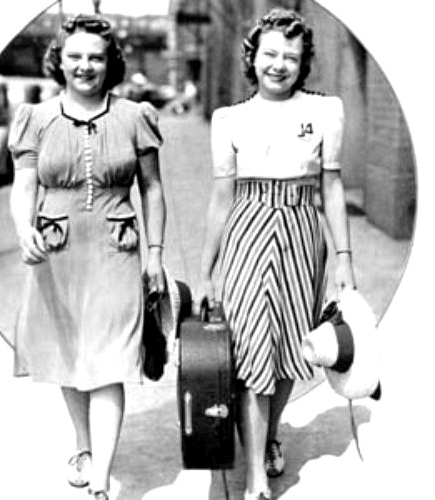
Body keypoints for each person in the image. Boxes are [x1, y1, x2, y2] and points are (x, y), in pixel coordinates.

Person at [198, 9, 355, 500]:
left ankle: (266, 437)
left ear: (303, 61)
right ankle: (257, 480)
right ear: (253, 56)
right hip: (247, 230)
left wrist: (344, 259)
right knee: (249, 352)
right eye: (270, 53)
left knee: (288, 348)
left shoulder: (326, 110)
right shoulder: (229, 119)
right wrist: (206, 273)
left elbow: (331, 187)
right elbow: (222, 198)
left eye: (291, 55)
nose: (279, 64)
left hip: (302, 232)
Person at [8, 14, 166, 500]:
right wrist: (23, 229)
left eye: (96, 57)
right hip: (56, 252)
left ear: (110, 62)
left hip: (116, 251)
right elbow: (24, 188)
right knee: (67, 355)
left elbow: (153, 189)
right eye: (75, 56)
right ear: (60, 60)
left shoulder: (134, 116)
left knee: (108, 362)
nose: (85, 66)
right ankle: (84, 444)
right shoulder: (34, 119)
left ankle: (101, 485)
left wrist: (155, 254)